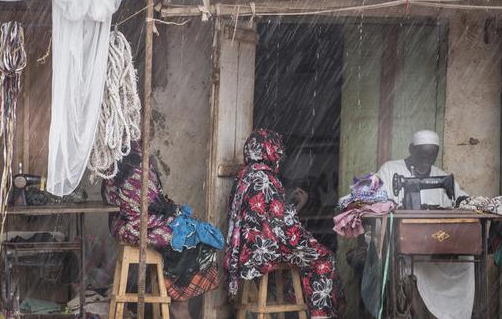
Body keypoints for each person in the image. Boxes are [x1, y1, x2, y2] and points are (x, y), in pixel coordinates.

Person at [224, 128, 343, 319]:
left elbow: (266, 220)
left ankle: (292, 308)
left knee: (298, 262)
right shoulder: (268, 179)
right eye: (278, 151)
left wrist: (295, 209)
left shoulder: (243, 177)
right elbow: (285, 227)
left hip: (246, 253)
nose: (280, 156)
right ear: (271, 151)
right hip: (265, 254)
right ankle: (320, 315)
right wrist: (307, 237)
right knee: (324, 258)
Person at [102, 144, 221, 319]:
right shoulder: (131, 164)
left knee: (192, 230)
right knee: (189, 237)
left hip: (133, 220)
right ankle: (179, 303)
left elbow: (152, 202)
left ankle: (177, 297)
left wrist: (175, 211)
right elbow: (146, 204)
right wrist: (174, 213)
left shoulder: (128, 159)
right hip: (131, 224)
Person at [373, 130, 472, 319]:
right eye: (422, 155)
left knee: (468, 260)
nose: (427, 161)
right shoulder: (390, 170)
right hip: (402, 241)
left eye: (432, 156)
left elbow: (462, 198)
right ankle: (419, 312)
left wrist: (465, 202)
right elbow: (372, 199)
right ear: (411, 149)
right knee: (409, 260)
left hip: (432, 243)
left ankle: (454, 313)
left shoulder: (441, 175)